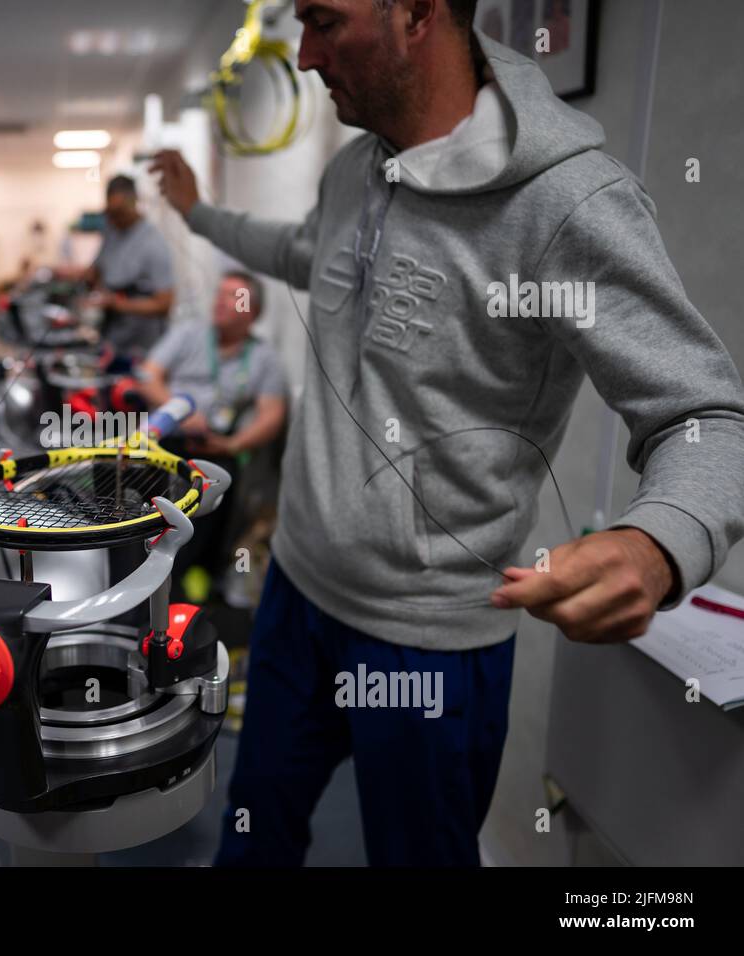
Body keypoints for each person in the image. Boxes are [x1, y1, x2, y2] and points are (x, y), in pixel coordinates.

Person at [151, 0, 744, 866]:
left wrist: (659, 543)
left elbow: (704, 416)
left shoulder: (568, 203)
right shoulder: (354, 169)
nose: (307, 53)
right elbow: (300, 251)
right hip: (297, 594)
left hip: (428, 640)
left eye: (324, 20)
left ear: (418, 13)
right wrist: (201, 215)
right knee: (253, 828)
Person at [137, 272, 288, 599]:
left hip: (216, 447)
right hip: (167, 439)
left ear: (253, 311)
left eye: (233, 297)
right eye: (219, 294)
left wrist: (234, 444)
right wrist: (179, 408)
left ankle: (193, 572)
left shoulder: (264, 358)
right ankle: (147, 569)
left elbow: (272, 415)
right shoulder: (189, 334)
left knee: (218, 489)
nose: (220, 301)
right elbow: (147, 376)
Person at [84, 174, 175, 364]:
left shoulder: (153, 243)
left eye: (119, 212)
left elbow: (165, 304)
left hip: (142, 346)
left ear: (134, 202)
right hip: (112, 337)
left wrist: (118, 304)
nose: (114, 218)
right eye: (111, 212)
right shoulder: (112, 231)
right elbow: (97, 271)